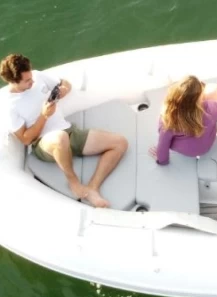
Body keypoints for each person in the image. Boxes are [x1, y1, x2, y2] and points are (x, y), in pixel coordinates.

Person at [1, 53, 128, 208]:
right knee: (60, 138)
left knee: (120, 143)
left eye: (31, 77)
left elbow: (65, 83)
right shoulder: (10, 105)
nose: (32, 81)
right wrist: (44, 116)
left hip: (67, 130)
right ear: (13, 81)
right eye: (27, 81)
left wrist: (64, 90)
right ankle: (73, 182)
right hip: (44, 143)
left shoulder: (37, 76)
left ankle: (93, 187)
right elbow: (26, 139)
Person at [149, 75, 217, 165]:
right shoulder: (212, 107)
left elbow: (163, 146)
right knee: (215, 102)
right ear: (198, 98)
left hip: (186, 150)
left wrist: (161, 160)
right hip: (207, 145)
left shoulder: (167, 119)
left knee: (165, 132)